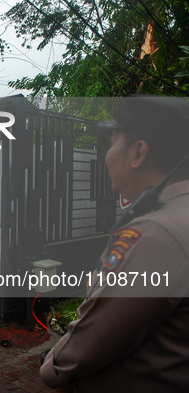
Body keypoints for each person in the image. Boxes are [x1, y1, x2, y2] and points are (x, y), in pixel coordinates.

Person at [40, 96, 189, 392]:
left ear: (138, 152)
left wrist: (49, 366)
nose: (107, 154)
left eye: (112, 142)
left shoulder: (154, 234)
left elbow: (92, 341)